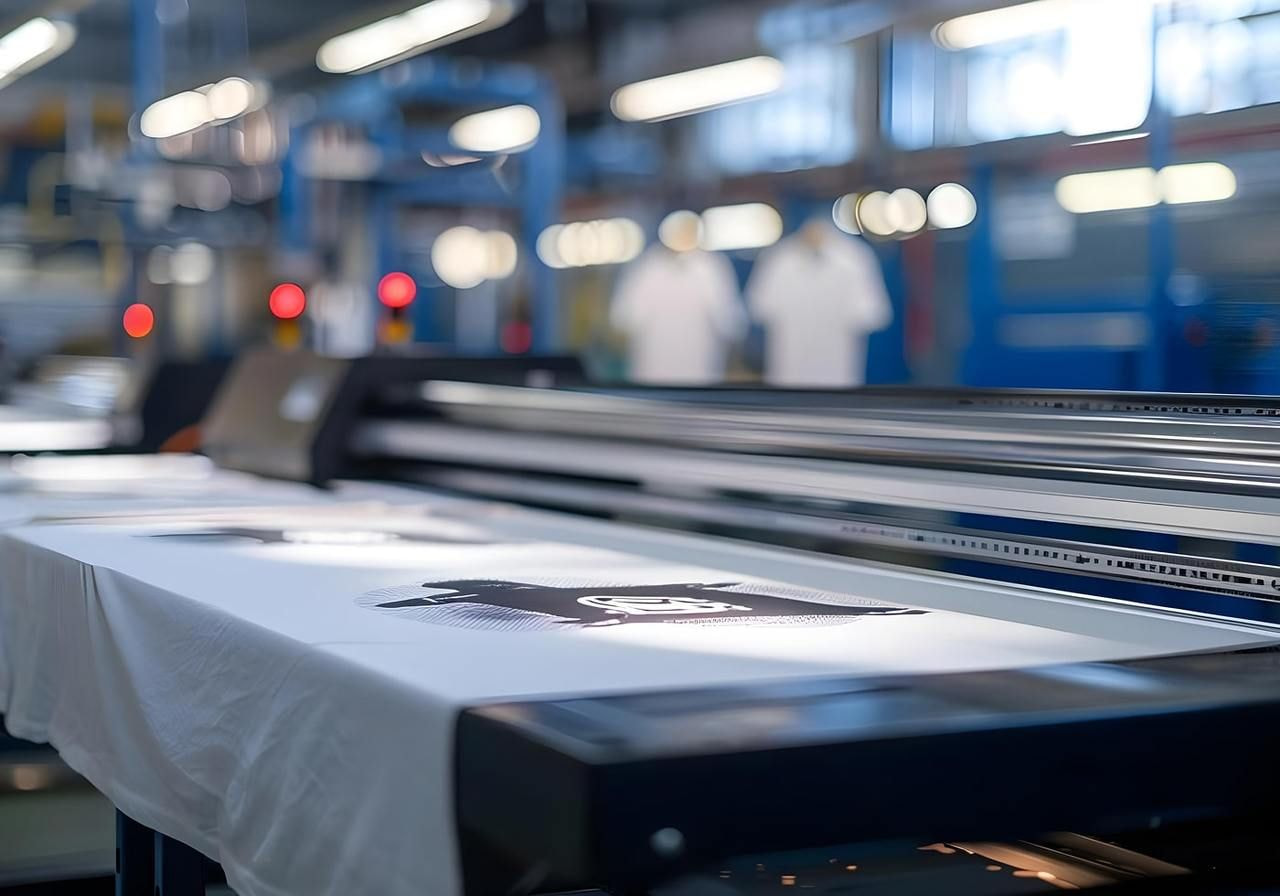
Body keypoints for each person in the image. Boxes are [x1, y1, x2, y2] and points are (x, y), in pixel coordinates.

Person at [747, 215, 892, 388]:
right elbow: (758, 308)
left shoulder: (855, 259)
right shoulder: (777, 260)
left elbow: (873, 314)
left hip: (837, 377)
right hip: (789, 376)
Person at [610, 211, 746, 385]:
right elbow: (625, 317)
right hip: (652, 370)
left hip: (699, 370)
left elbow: (729, 320)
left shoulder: (711, 267)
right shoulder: (647, 268)